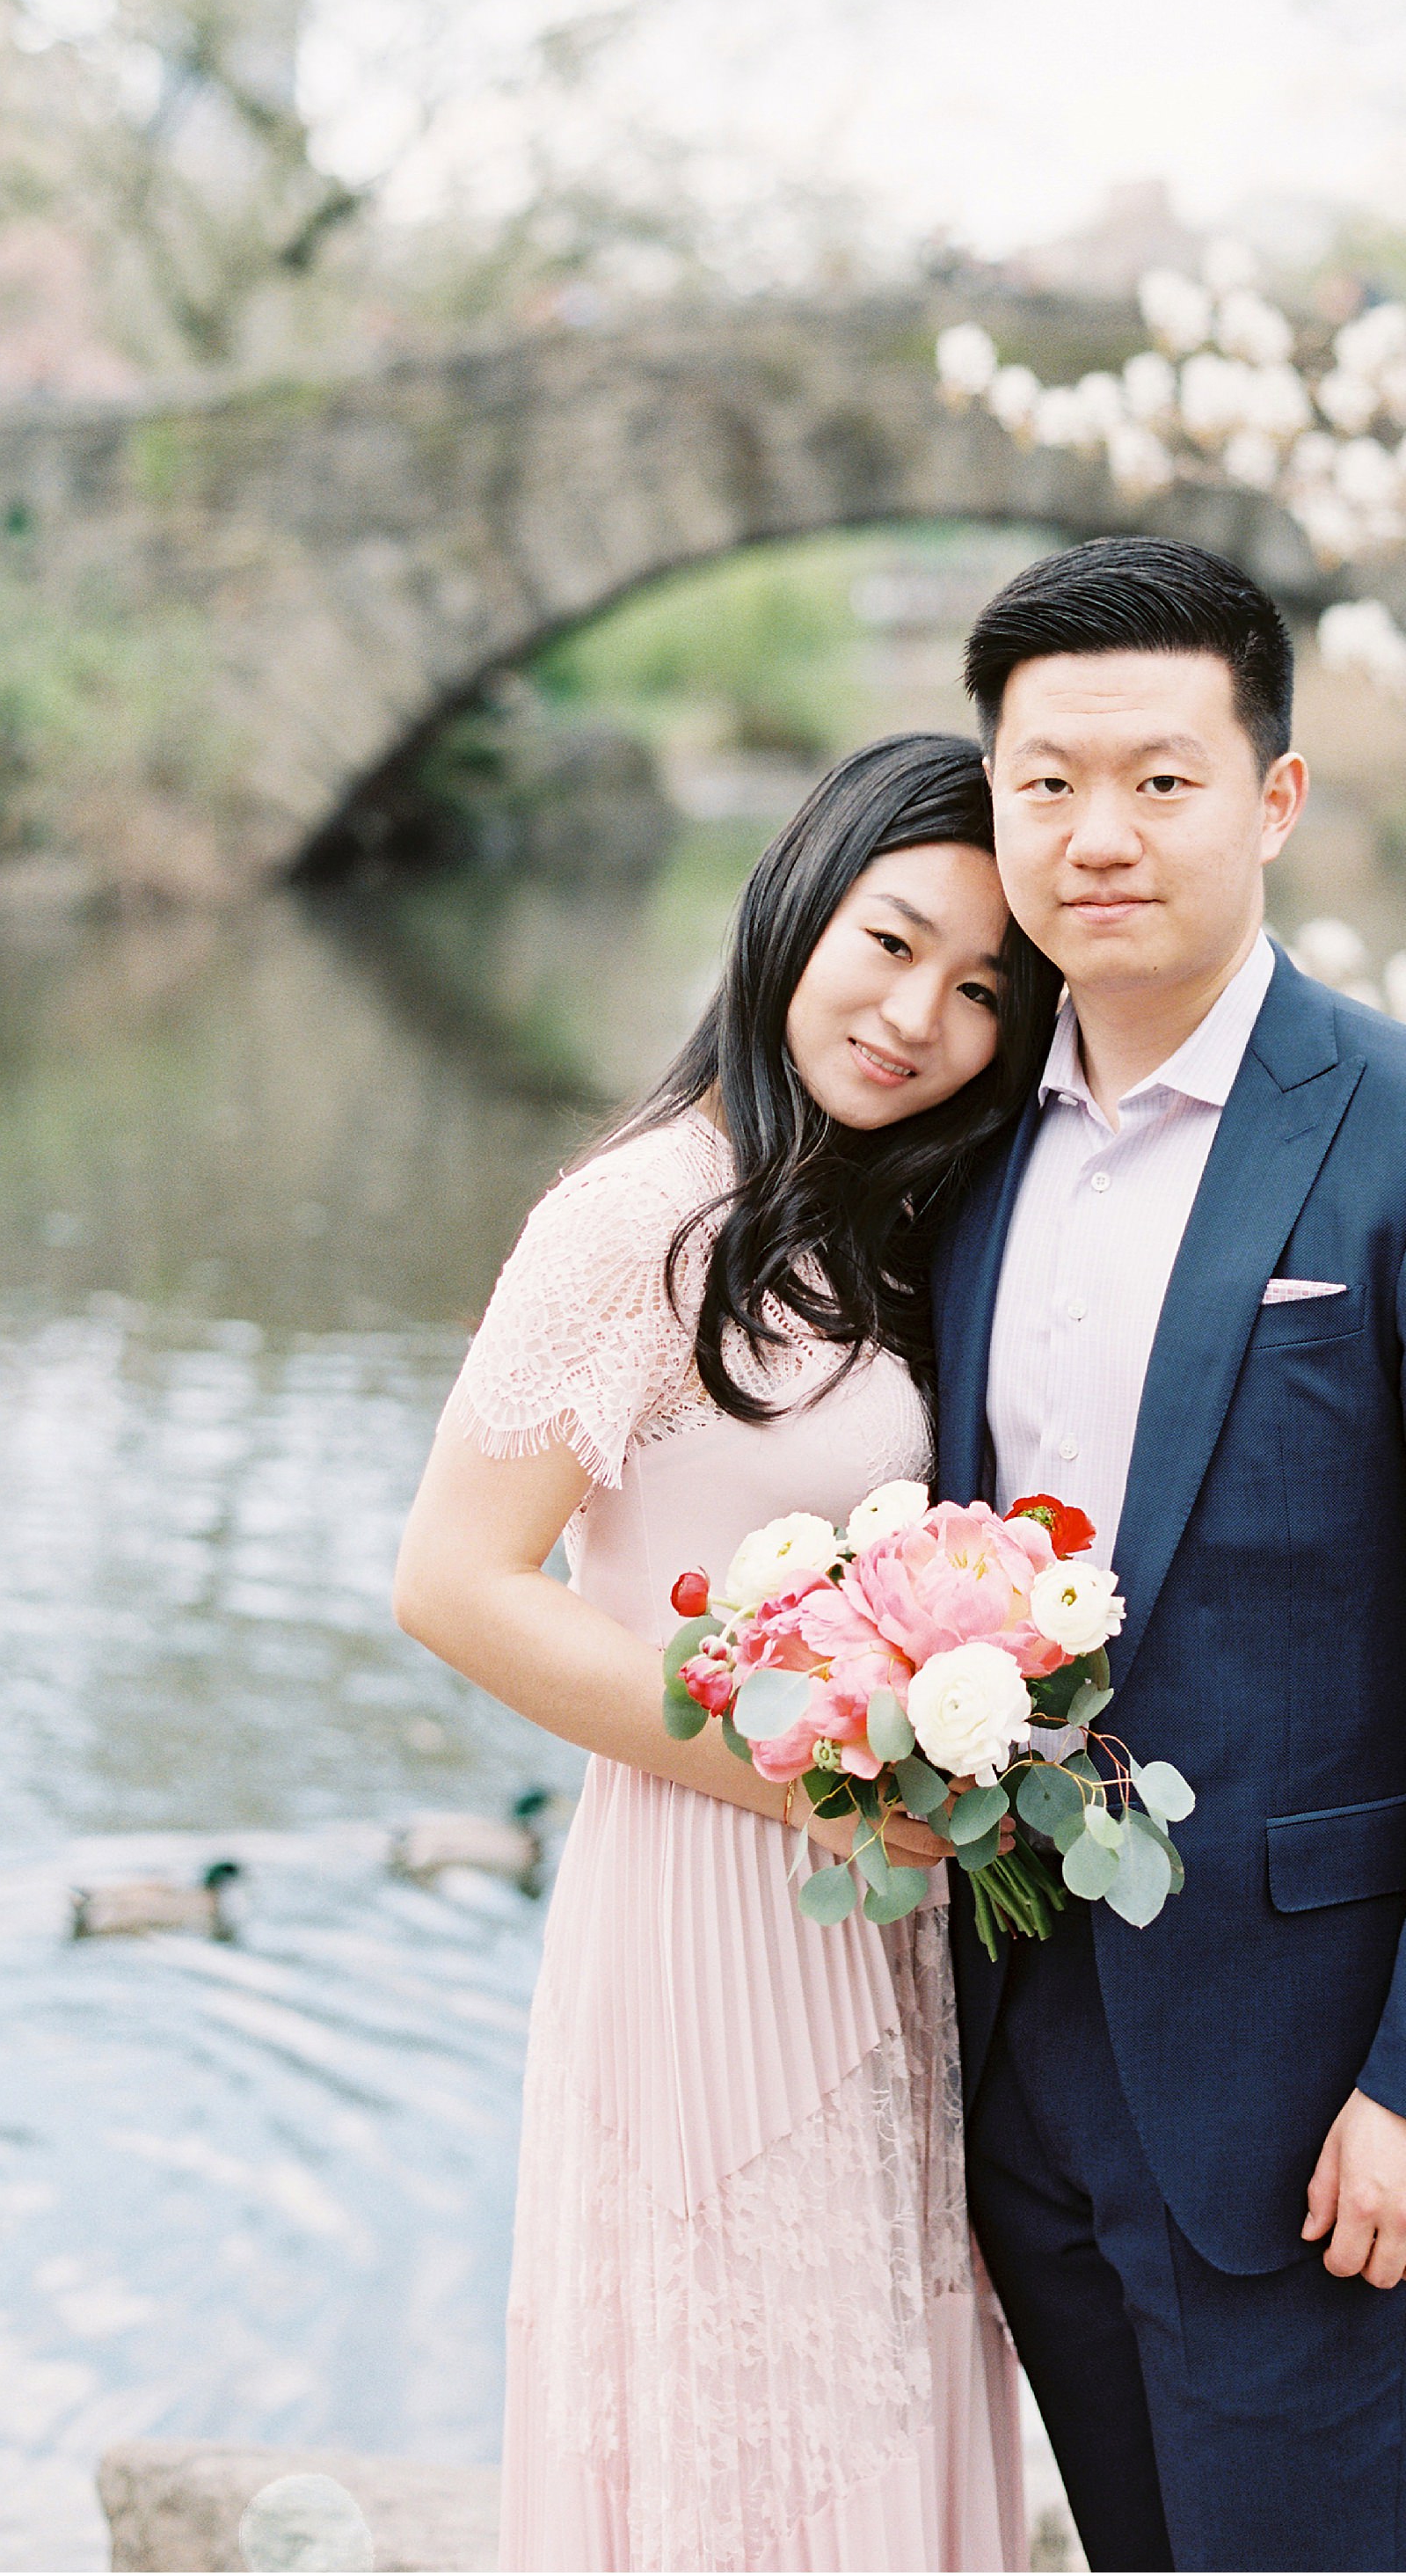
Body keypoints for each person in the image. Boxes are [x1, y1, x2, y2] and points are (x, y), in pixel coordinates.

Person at [935, 537, 1406, 2574]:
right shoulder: (967, 1146)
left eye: (1158, 778)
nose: (1096, 835)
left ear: (1272, 798)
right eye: (1043, 783)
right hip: (1008, 2032)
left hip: (1303, 2074)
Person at [392, 732, 1059, 2573]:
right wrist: (805, 1764)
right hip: (701, 1902)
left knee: (874, 2385)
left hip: (879, 1934)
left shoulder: (887, 1223)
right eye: (891, 938)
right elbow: (455, 1579)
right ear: (794, 908)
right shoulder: (636, 1219)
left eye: (984, 990)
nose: (919, 1013)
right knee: (729, 2412)